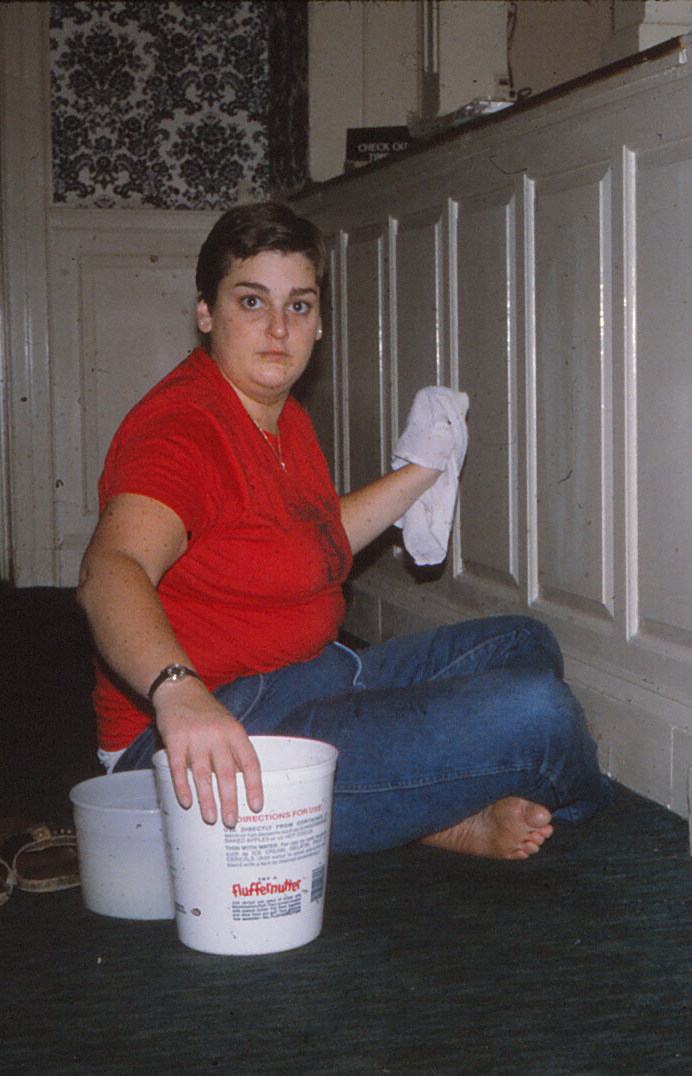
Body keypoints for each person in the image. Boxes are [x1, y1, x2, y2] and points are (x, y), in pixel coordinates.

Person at [76, 201, 610, 860]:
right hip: (209, 739)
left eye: (298, 306)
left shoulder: (280, 415)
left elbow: (309, 542)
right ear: (206, 313)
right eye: (251, 302)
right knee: (538, 713)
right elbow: (111, 569)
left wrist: (421, 473)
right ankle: (469, 802)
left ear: (319, 321)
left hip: (310, 679)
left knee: (524, 643)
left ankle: (422, 807)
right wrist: (179, 695)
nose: (278, 329)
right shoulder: (180, 431)